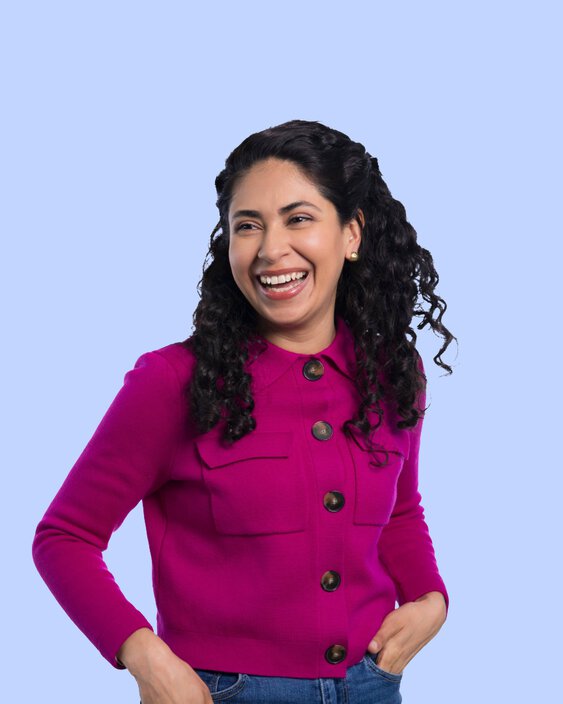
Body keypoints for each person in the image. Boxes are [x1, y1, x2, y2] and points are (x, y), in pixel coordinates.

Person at [32, 119, 456, 704]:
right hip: (222, 692)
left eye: (298, 219)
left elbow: (400, 511)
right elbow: (64, 537)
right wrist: (147, 658)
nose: (270, 249)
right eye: (248, 225)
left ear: (351, 234)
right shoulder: (174, 381)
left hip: (372, 685)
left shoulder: (394, 371)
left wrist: (431, 598)